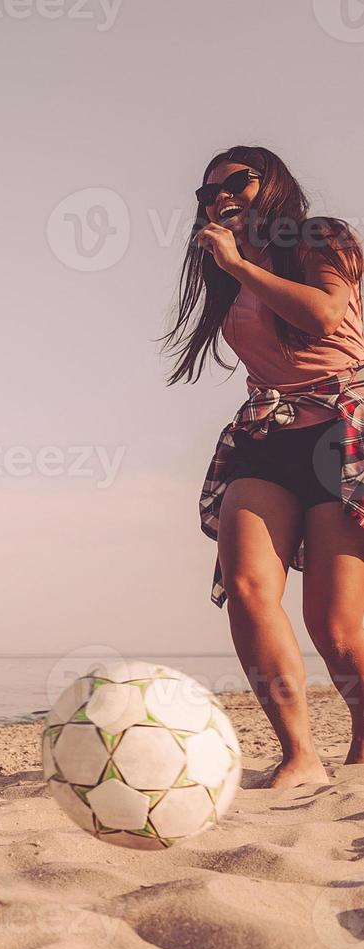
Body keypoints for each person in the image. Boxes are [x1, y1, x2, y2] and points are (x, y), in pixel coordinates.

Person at [164, 145, 364, 789]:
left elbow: (325, 315)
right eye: (206, 192)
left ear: (270, 183)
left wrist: (237, 264)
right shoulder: (231, 270)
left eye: (235, 182)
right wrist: (231, 265)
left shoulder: (320, 239)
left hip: (341, 430)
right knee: (248, 589)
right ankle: (299, 753)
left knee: (334, 628)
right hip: (267, 432)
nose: (218, 196)